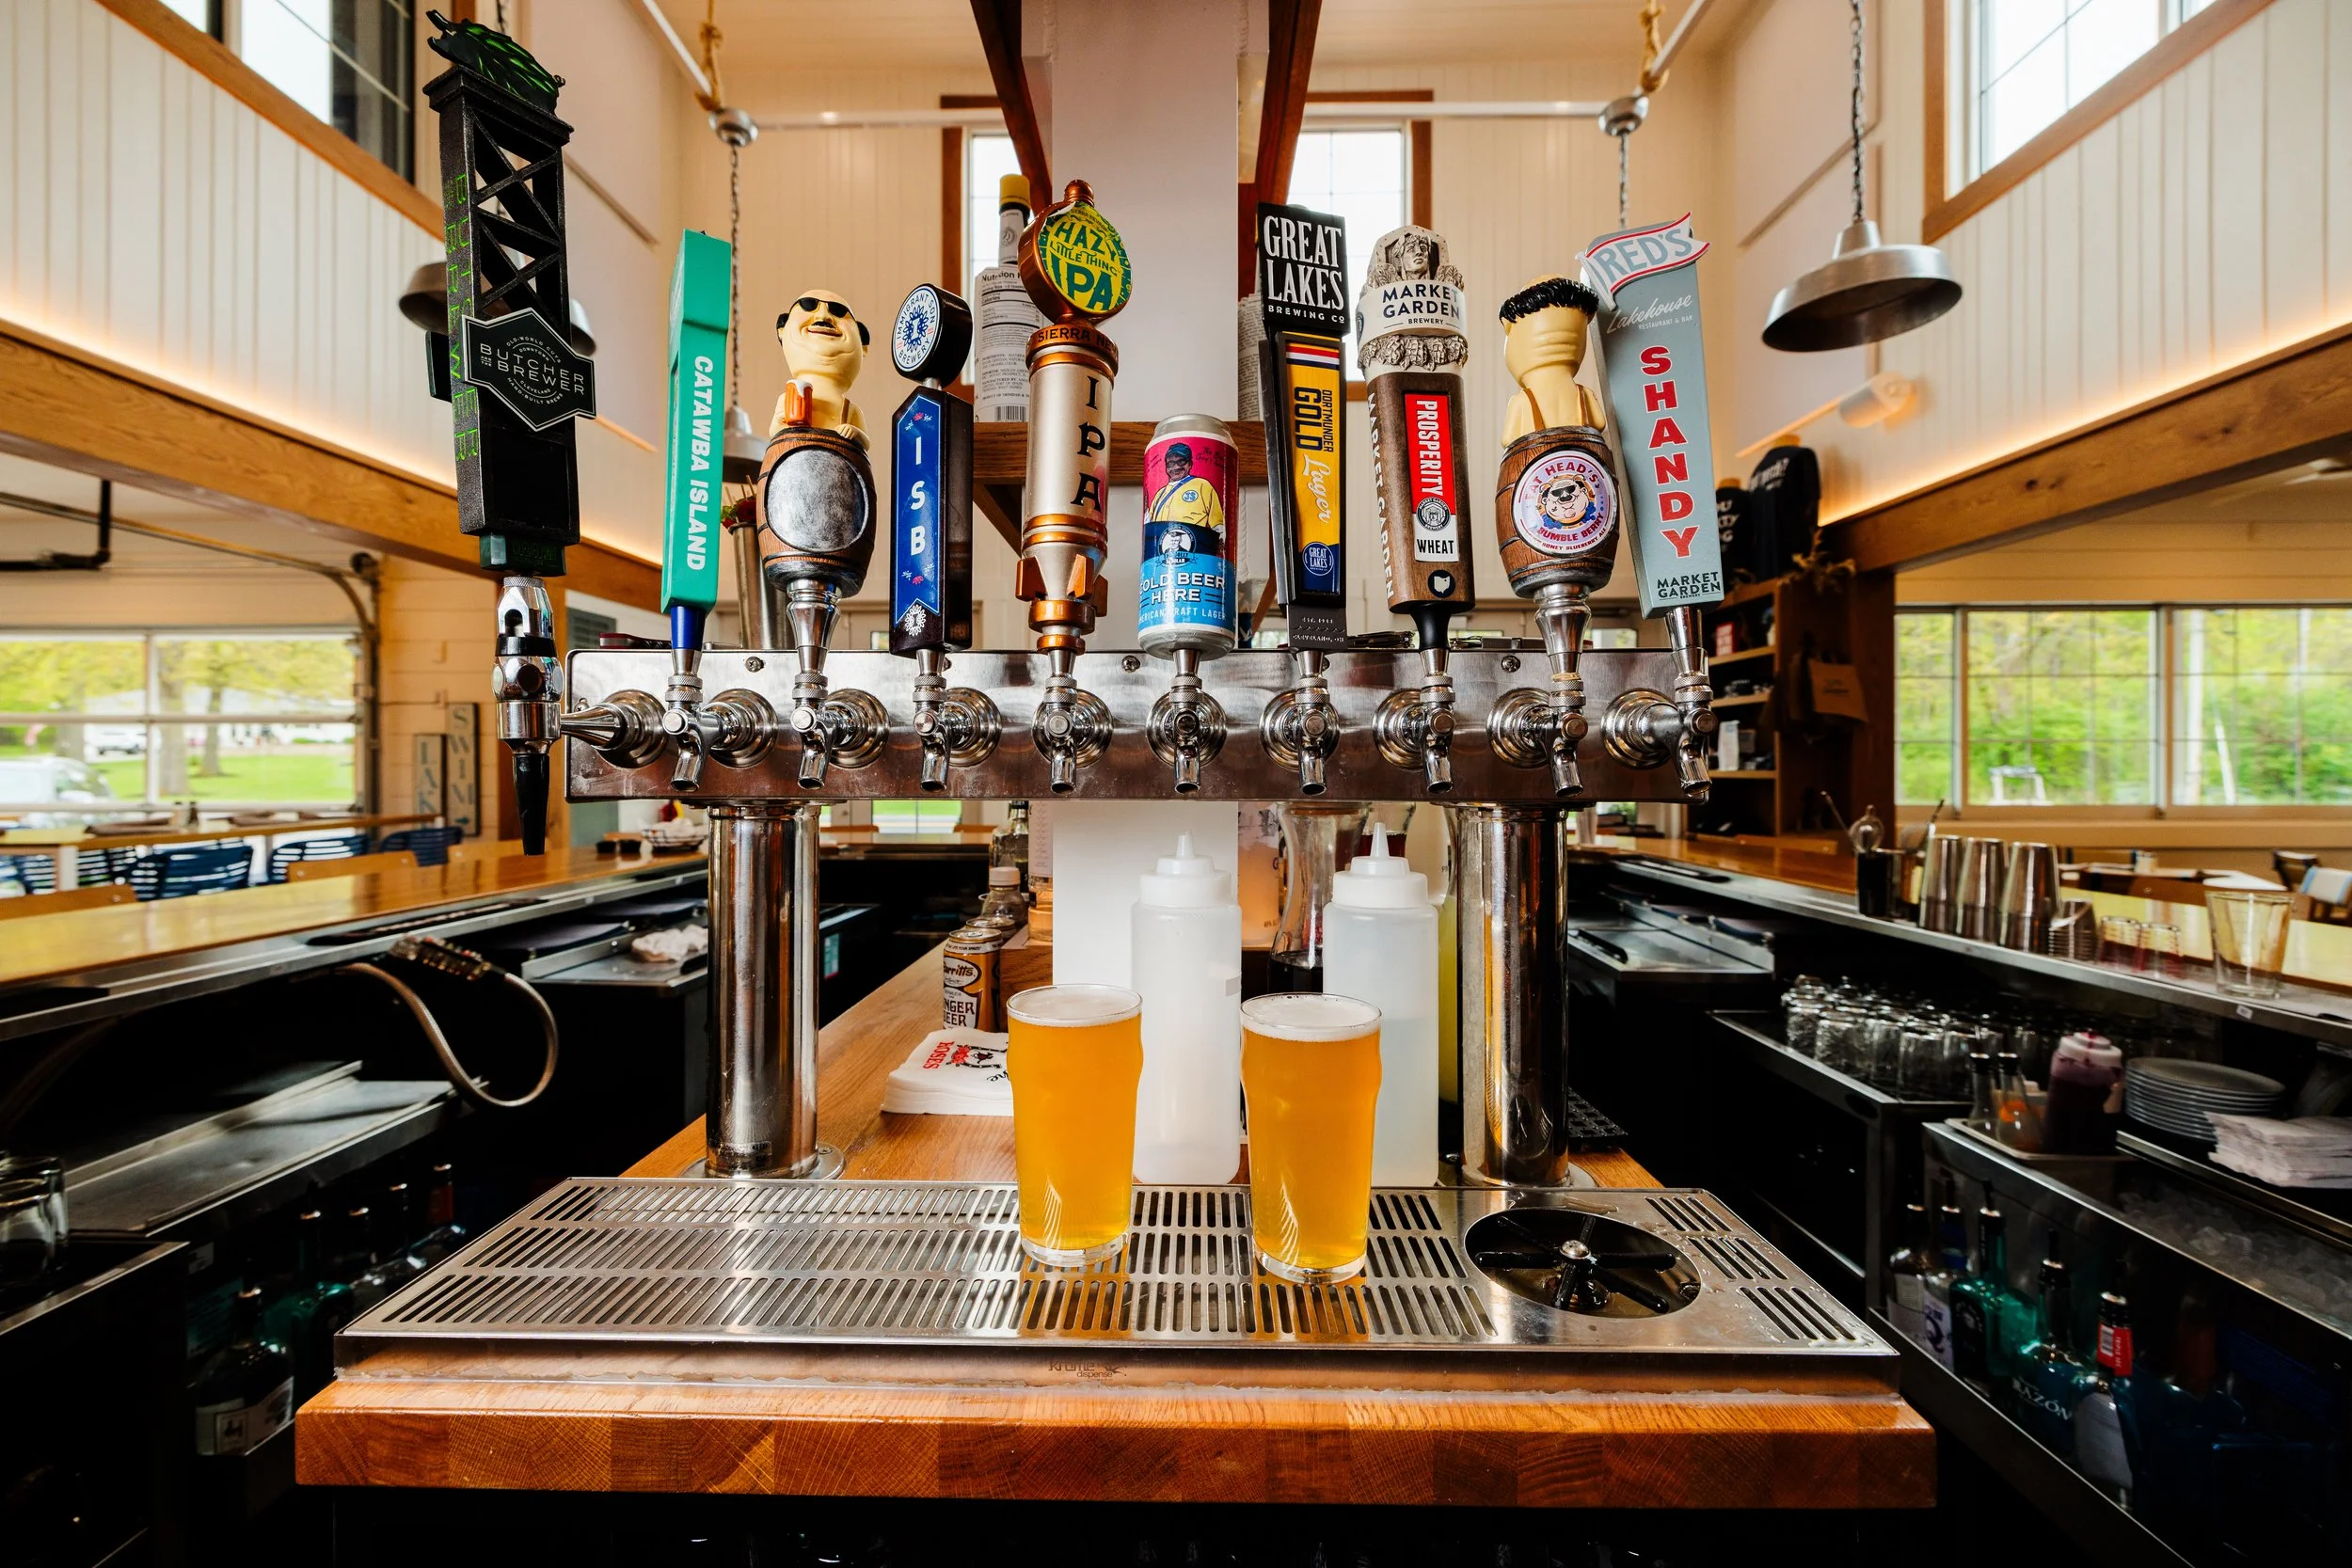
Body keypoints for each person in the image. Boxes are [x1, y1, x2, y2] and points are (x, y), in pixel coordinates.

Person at [1146, 441, 1225, 553]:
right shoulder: (1159, 494)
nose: (1176, 467)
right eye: (1170, 463)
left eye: (1181, 461)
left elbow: (1218, 526)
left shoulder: (1202, 485)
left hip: (1196, 554)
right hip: (1163, 557)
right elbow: (1150, 529)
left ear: (1190, 464)